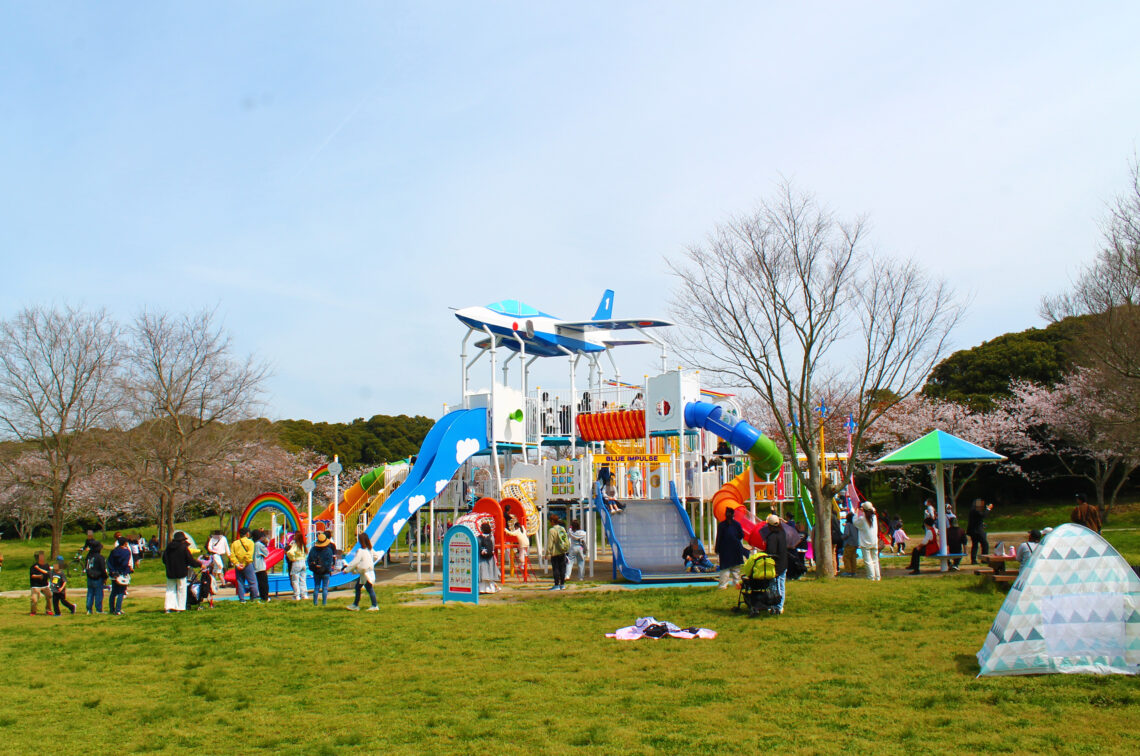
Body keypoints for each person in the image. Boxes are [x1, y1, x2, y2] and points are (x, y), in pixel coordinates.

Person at [162, 531, 198, 612]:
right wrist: (199, 564)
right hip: (181, 572)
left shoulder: (168, 547)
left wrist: (169, 565)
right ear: (182, 540)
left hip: (170, 572)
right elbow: (190, 560)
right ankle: (180, 607)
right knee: (181, 590)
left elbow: (164, 559)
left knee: (170, 590)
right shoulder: (183, 548)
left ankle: (168, 607)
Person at [344, 533, 379, 611]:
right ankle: (356, 604)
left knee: (369, 588)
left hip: (365, 572)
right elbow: (376, 556)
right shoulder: (370, 549)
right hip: (369, 571)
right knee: (358, 587)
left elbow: (355, 562)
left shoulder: (360, 551)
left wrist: (346, 570)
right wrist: (370, 562)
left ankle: (374, 605)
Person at [715, 507, 748, 589]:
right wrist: (717, 548)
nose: (728, 515)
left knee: (735, 569)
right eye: (727, 513)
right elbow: (719, 537)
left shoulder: (736, 524)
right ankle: (723, 585)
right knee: (725, 569)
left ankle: (736, 584)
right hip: (725, 549)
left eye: (730, 513)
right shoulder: (722, 525)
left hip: (735, 549)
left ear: (733, 515)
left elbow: (741, 535)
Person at [764, 514, 789, 615]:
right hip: (783, 562)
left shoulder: (772, 537)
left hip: (777, 565)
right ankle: (779, 605)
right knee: (781, 585)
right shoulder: (782, 532)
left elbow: (771, 552)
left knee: (776, 586)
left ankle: (777, 606)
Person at [229, 527, 259, 602]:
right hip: (247, 564)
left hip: (238, 566)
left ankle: (241, 599)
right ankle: (254, 597)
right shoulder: (250, 542)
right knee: (252, 582)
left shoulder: (234, 543)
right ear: (247, 534)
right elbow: (249, 554)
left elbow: (232, 555)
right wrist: (244, 563)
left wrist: (237, 564)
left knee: (240, 582)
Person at [307, 531, 336, 606]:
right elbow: (330, 561)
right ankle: (324, 603)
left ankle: (315, 603)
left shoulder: (313, 549)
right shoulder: (328, 550)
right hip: (325, 571)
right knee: (325, 588)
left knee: (316, 587)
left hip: (316, 571)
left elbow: (309, 559)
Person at [853, 503, 880, 581]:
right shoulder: (874, 517)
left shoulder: (862, 519)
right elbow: (873, 509)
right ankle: (877, 577)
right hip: (874, 541)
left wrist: (856, 512)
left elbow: (855, 522)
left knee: (868, 561)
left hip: (865, 543)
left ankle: (871, 577)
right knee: (875, 560)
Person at [966, 498, 993, 564]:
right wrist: (988, 509)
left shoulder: (972, 510)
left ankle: (973, 560)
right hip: (978, 531)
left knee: (975, 545)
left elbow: (976, 519)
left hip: (973, 530)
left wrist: (981, 524)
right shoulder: (976, 510)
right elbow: (983, 515)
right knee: (985, 544)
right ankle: (984, 559)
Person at [84, 541, 108, 614]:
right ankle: (98, 609)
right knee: (98, 594)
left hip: (89, 577)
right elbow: (102, 569)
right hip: (98, 577)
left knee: (90, 593)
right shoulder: (100, 557)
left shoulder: (88, 557)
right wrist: (105, 577)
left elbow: (86, 567)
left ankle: (89, 609)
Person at [547, 514, 569, 591]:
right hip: (562, 551)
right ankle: (562, 584)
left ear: (552, 521)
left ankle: (556, 585)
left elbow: (550, 543)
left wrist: (547, 552)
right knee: (562, 568)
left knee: (556, 568)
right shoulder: (562, 528)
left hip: (555, 552)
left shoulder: (552, 530)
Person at [478, 521, 500, 594]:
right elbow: (493, 547)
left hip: (481, 559)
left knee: (482, 575)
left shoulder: (479, 538)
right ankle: (491, 589)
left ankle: (482, 589)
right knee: (490, 574)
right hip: (490, 558)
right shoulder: (492, 537)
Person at [29, 551, 53, 616]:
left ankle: (48, 610)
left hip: (44, 585)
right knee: (34, 599)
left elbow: (48, 573)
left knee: (49, 595)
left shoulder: (46, 565)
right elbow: (32, 575)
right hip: (35, 586)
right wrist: (39, 576)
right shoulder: (34, 566)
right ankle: (33, 611)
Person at [286, 532, 308, 601]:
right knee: (303, 579)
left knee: (295, 580)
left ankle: (297, 595)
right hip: (303, 562)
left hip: (297, 562)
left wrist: (292, 558)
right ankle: (304, 594)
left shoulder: (295, 545)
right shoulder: (303, 545)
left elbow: (290, 552)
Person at [253, 530, 271, 602]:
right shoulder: (259, 545)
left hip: (254, 566)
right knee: (264, 583)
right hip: (260, 566)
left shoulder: (252, 544)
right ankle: (265, 597)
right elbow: (266, 553)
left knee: (258, 582)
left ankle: (260, 595)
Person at [841, 512, 858, 577]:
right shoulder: (855, 525)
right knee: (853, 557)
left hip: (849, 543)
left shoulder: (848, 525)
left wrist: (842, 538)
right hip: (855, 543)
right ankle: (853, 571)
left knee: (846, 557)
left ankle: (848, 571)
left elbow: (846, 534)